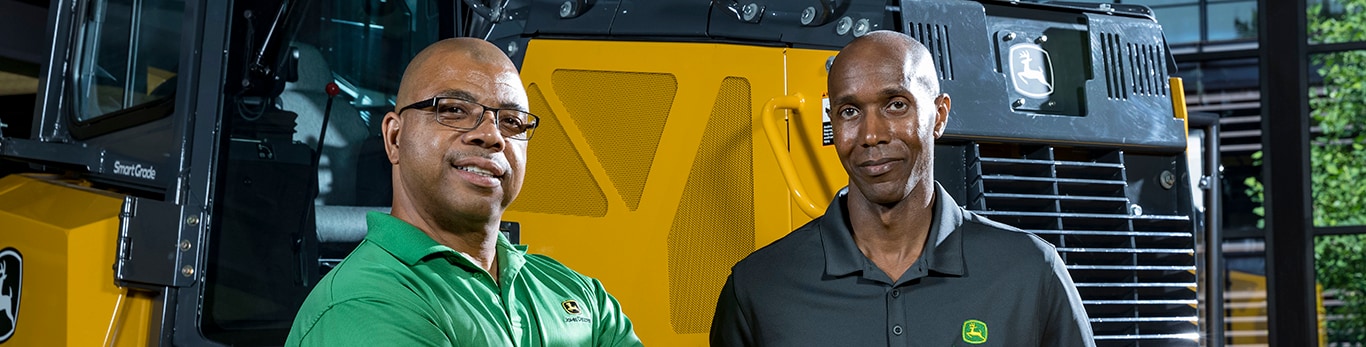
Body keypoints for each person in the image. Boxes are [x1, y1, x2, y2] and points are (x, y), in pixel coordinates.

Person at [710, 31, 1095, 346]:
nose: (871, 135)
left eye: (896, 105)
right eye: (849, 112)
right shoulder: (757, 289)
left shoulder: (1030, 271)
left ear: (939, 114)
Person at [286, 38, 642, 346]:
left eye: (512, 121)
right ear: (395, 138)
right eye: (454, 110)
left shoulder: (579, 295)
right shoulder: (363, 305)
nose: (492, 136)